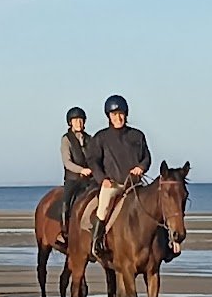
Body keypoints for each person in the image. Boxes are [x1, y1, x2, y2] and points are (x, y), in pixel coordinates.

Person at [86, 95, 151, 257]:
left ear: (126, 114)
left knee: (153, 205)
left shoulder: (137, 135)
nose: (118, 117)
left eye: (121, 114)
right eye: (114, 114)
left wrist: (141, 167)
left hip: (134, 185)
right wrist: (103, 180)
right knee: (103, 207)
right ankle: (97, 243)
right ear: (109, 116)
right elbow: (93, 161)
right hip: (113, 184)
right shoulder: (101, 137)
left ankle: (167, 244)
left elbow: (147, 157)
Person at [59, 106, 93, 242]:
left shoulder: (90, 139)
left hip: (90, 179)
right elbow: (67, 162)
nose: (79, 123)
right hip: (73, 179)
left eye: (81, 120)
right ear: (70, 122)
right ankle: (63, 231)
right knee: (66, 202)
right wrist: (81, 170)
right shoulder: (66, 139)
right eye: (75, 120)